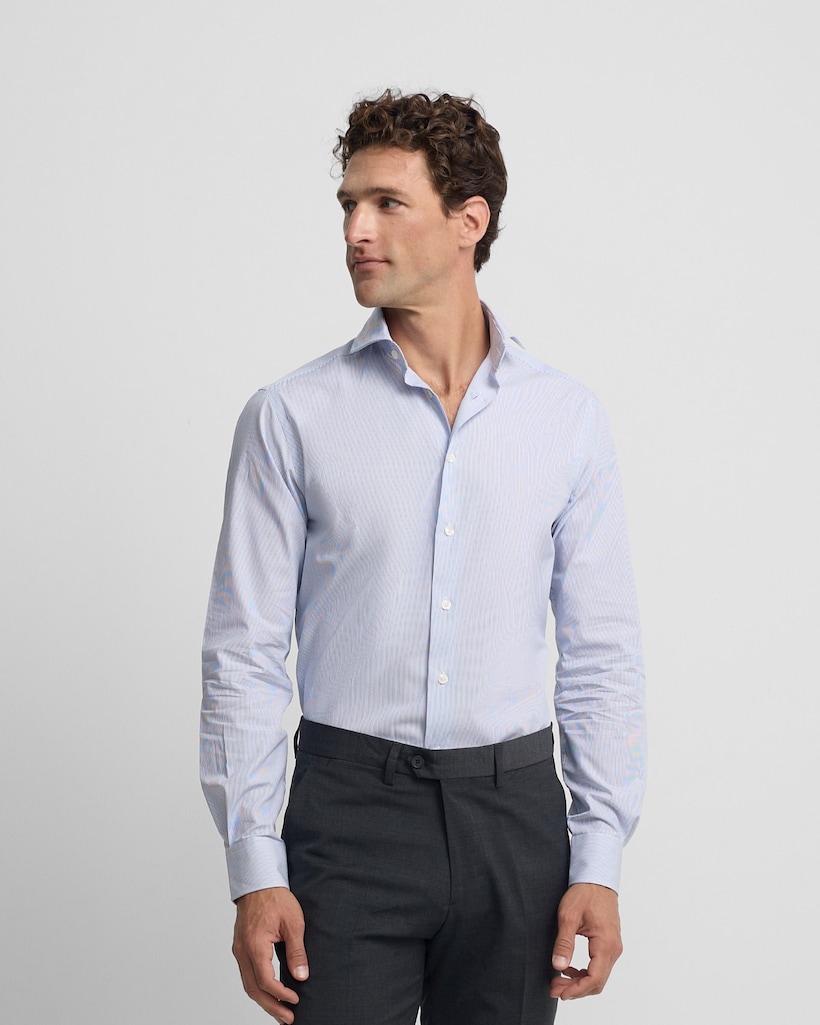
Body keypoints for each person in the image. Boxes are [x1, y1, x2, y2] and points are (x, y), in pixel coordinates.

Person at [201, 89, 646, 1025]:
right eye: (348, 205)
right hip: (346, 816)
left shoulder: (565, 419)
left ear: (468, 222)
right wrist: (254, 864)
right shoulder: (291, 416)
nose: (355, 231)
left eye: (387, 203)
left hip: (516, 820)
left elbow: (601, 653)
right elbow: (244, 651)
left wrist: (599, 857)